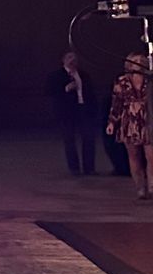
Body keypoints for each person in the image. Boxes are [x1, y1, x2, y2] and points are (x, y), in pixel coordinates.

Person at [107, 52, 152, 200]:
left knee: (150, 156)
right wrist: (112, 122)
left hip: (148, 121)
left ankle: (152, 186)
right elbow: (116, 104)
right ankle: (140, 187)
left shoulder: (150, 81)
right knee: (134, 156)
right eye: (135, 61)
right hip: (130, 122)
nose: (139, 63)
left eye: (141, 61)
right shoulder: (122, 81)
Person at [46, 51, 99, 175]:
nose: (72, 60)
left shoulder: (84, 75)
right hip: (67, 112)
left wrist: (92, 109)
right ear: (63, 60)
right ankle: (74, 168)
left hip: (83, 110)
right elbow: (49, 91)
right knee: (69, 140)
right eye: (69, 57)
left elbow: (91, 93)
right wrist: (65, 89)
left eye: (74, 58)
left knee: (88, 138)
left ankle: (89, 168)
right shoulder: (56, 75)